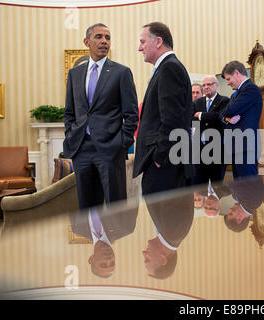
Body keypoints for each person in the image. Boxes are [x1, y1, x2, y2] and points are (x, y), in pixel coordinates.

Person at [63, 23, 139, 212]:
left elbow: (131, 114)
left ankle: (114, 242)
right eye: (99, 37)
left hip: (110, 149)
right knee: (87, 208)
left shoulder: (121, 72)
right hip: (82, 148)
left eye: (108, 37)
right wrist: (71, 135)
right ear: (86, 42)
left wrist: (121, 142)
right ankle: (94, 242)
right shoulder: (75, 73)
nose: (104, 41)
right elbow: (70, 112)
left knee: (116, 208)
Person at [133, 22, 194, 195]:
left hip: (166, 167)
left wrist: (159, 158)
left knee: (167, 219)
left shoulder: (169, 68)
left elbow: (173, 119)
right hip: (166, 164)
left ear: (158, 41)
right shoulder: (166, 67)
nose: (139, 48)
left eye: (143, 42)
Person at [69, 202, 139, 278]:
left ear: (91, 259)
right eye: (112, 263)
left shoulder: (77, 228)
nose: (109, 259)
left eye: (103, 265)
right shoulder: (126, 228)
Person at [220, 61, 263, 178]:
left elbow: (228, 111)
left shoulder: (250, 89)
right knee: (239, 189)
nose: (228, 83)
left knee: (248, 188)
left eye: (228, 79)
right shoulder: (236, 94)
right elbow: (222, 113)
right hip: (237, 147)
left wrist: (226, 115)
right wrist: (227, 118)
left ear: (237, 73)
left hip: (246, 147)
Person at [143, 192, 194, 279]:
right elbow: (168, 185)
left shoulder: (170, 234)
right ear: (162, 259)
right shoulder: (174, 232)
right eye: (147, 259)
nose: (143, 253)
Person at [192, 75, 230, 185]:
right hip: (199, 152)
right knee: (198, 188)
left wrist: (201, 115)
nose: (206, 87)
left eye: (209, 84)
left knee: (216, 188)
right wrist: (211, 117)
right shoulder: (197, 103)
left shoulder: (224, 101)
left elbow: (220, 118)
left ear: (216, 85)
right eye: (204, 85)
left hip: (218, 151)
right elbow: (191, 120)